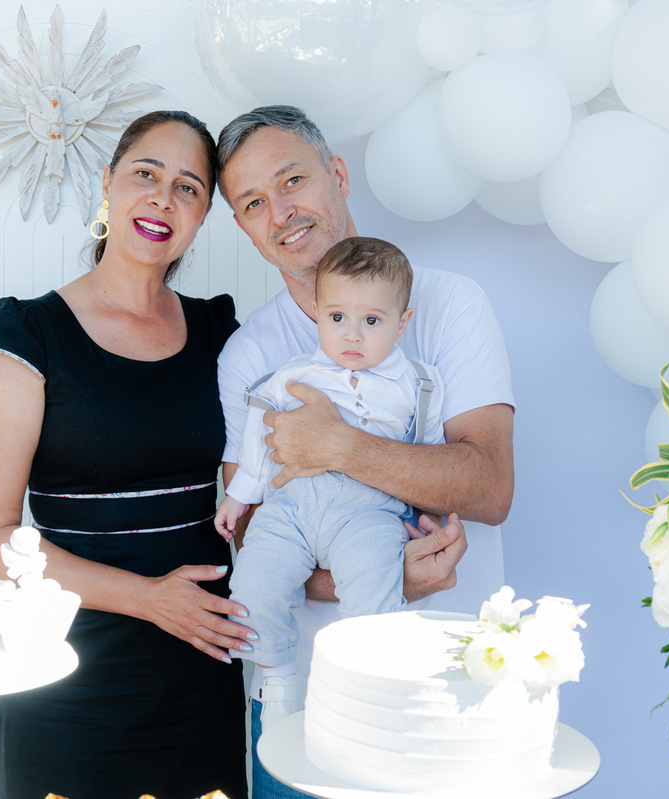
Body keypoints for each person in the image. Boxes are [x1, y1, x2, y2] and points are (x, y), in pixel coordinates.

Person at [216, 105, 515, 799]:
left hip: (453, 676)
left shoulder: (449, 305)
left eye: (292, 180)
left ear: (339, 175)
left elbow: (490, 486)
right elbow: (253, 534)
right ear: (243, 227)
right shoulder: (249, 355)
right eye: (254, 203)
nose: (281, 212)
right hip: (306, 702)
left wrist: (340, 445)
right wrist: (382, 574)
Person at [0, 110, 251, 799]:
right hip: (64, 675)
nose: (163, 198)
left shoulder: (221, 333)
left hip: (199, 668)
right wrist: (149, 598)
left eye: (188, 187)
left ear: (204, 214)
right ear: (108, 183)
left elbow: (254, 503)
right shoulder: (24, 336)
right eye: (146, 174)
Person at [215, 237, 445, 722]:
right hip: (291, 506)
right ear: (318, 314)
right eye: (337, 317)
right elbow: (260, 432)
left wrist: (430, 513)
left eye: (372, 321)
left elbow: (428, 454)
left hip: (368, 509)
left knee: (374, 587)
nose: (352, 335)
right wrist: (239, 495)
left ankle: (366, 688)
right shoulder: (294, 376)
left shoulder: (418, 385)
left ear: (402, 322)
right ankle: (276, 676)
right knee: (252, 585)